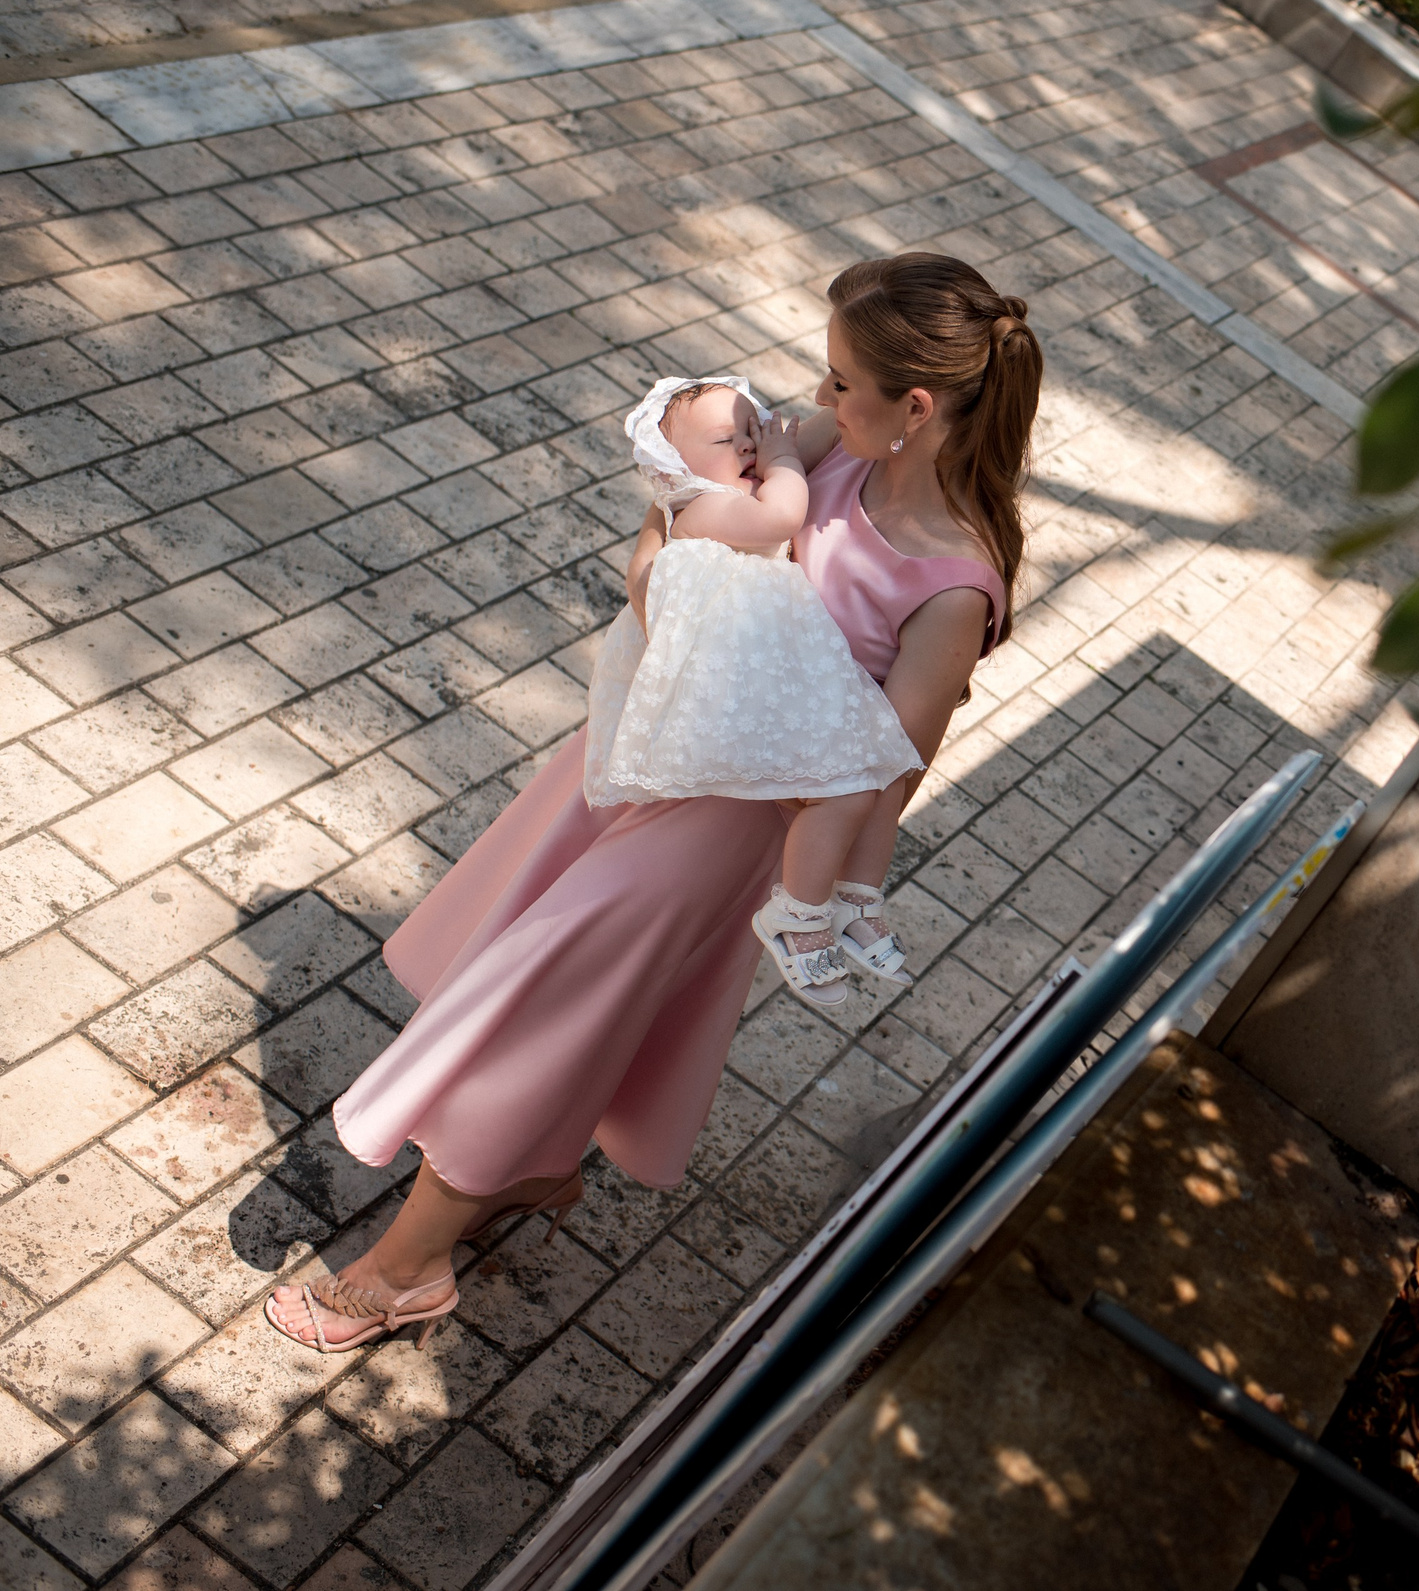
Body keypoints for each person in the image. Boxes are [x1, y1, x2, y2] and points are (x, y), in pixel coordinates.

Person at [264, 254, 1037, 1354]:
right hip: (645, 750)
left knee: (534, 1009)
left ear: (914, 406)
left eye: (837, 381)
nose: (813, 401)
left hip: (719, 833)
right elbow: (682, 507)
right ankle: (530, 1168)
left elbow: (880, 776)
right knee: (555, 996)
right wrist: (657, 558)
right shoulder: (833, 453)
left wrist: (816, 894)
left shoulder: (952, 585)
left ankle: (406, 1268)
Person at [583, 374, 920, 1004]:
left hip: (778, 677)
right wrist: (785, 459)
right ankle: (798, 913)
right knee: (846, 792)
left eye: (750, 431)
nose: (745, 447)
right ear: (672, 465)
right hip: (747, 694)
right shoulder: (701, 505)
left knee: (882, 769)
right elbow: (782, 517)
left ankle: (854, 897)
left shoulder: (710, 499)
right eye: (723, 439)